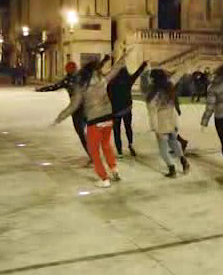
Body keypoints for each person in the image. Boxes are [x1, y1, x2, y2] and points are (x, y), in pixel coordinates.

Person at [52, 51, 131, 188]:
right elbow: (115, 69)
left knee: (94, 150)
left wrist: (59, 118)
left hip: (95, 121)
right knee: (106, 145)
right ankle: (114, 169)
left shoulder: (81, 87)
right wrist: (124, 57)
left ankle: (104, 179)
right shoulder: (102, 80)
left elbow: (73, 105)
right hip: (108, 118)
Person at [36, 61, 90, 163]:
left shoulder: (70, 80)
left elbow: (55, 87)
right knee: (86, 132)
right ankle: (93, 153)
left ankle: (92, 154)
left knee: (82, 133)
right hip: (85, 107)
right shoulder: (81, 77)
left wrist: (41, 89)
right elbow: (55, 86)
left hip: (78, 109)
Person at [142, 66, 190, 178]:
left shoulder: (153, 94)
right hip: (173, 120)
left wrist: (154, 127)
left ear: (153, 79)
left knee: (163, 148)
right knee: (174, 142)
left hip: (162, 123)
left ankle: (172, 168)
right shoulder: (170, 87)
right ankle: (184, 161)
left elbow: (152, 112)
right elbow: (177, 76)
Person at [108, 60, 147, 157]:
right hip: (126, 109)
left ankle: (120, 151)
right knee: (128, 127)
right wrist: (143, 65)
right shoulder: (128, 80)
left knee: (117, 131)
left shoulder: (111, 83)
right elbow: (137, 74)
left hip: (115, 111)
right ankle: (130, 144)